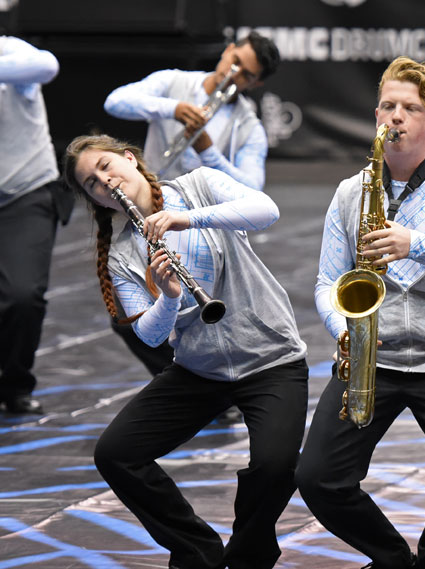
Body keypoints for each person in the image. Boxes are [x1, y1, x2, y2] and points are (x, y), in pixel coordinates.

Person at [295, 56, 425, 569]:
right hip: (373, 354)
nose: (395, 117)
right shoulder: (351, 192)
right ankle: (392, 559)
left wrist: (417, 244)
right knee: (317, 479)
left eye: (409, 108)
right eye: (387, 106)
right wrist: (341, 327)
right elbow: (327, 281)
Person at [63, 134, 308, 569]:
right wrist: (171, 297)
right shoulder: (122, 253)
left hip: (272, 359)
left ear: (129, 159)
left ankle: (249, 556)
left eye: (105, 166)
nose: (105, 181)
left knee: (275, 466)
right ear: (97, 201)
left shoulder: (200, 185)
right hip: (200, 370)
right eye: (92, 184)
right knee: (115, 454)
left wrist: (186, 220)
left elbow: (264, 211)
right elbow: (151, 336)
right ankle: (197, 551)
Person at [103, 31, 281, 421]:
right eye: (234, 63)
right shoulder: (174, 82)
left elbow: (254, 190)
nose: (234, 76)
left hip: (207, 229)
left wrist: (207, 150)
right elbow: (115, 101)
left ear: (256, 83)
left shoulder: (248, 126)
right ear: (227, 50)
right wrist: (171, 109)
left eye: (246, 76)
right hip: (148, 219)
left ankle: (217, 387)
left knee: (207, 314)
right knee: (128, 317)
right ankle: (187, 382)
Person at [0, 36, 73, 415]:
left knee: (22, 295)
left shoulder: (11, 49)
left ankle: (14, 383)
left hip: (24, 193)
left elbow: (47, 65)